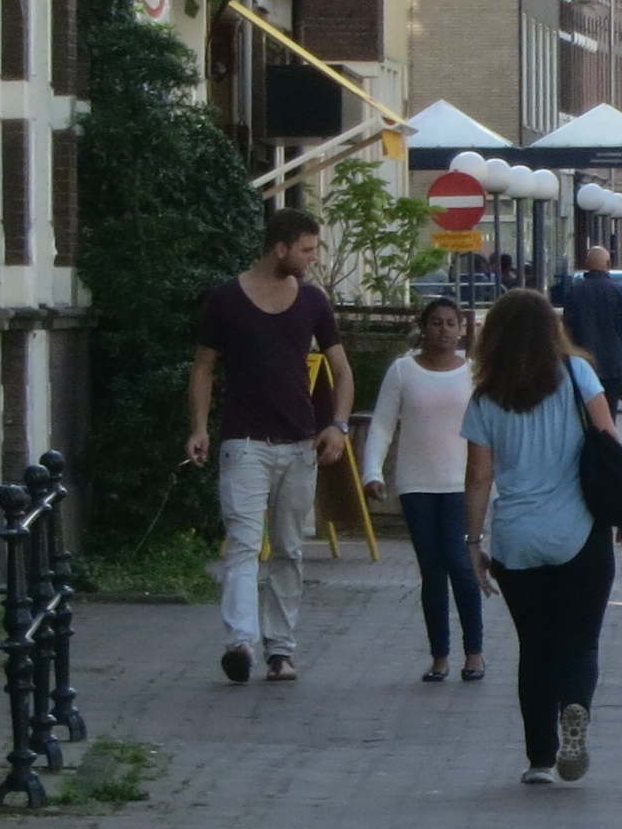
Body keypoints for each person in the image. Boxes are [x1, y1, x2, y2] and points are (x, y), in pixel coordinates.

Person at [462, 289, 622, 786]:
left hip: (516, 538)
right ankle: (576, 707)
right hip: (580, 530)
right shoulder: (577, 374)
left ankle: (540, 759)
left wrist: (473, 542)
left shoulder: (485, 396)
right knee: (580, 642)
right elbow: (608, 442)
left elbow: (479, 475)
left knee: (535, 647)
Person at [186, 208, 354, 686]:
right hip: (244, 443)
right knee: (243, 544)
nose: (313, 257)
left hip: (300, 444)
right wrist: (199, 427)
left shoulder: (313, 302)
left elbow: (342, 371)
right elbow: (203, 367)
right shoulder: (226, 299)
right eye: (307, 249)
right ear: (280, 248)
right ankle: (240, 642)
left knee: (289, 549)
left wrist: (338, 425)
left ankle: (280, 649)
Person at [362, 297, 484, 683]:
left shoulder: (473, 373)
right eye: (437, 323)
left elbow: (490, 428)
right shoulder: (403, 371)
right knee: (432, 570)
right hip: (416, 484)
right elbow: (383, 424)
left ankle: (474, 653)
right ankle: (439, 656)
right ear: (423, 326)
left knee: (459, 562)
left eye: (451, 323)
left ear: (460, 330)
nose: (444, 330)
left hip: (460, 484)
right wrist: (372, 472)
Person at [559, 246, 622, 409]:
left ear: (586, 264)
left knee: (582, 412)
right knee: (608, 412)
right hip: (613, 367)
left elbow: (567, 330)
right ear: (608, 264)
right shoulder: (620, 292)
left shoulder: (575, 292)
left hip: (582, 363)